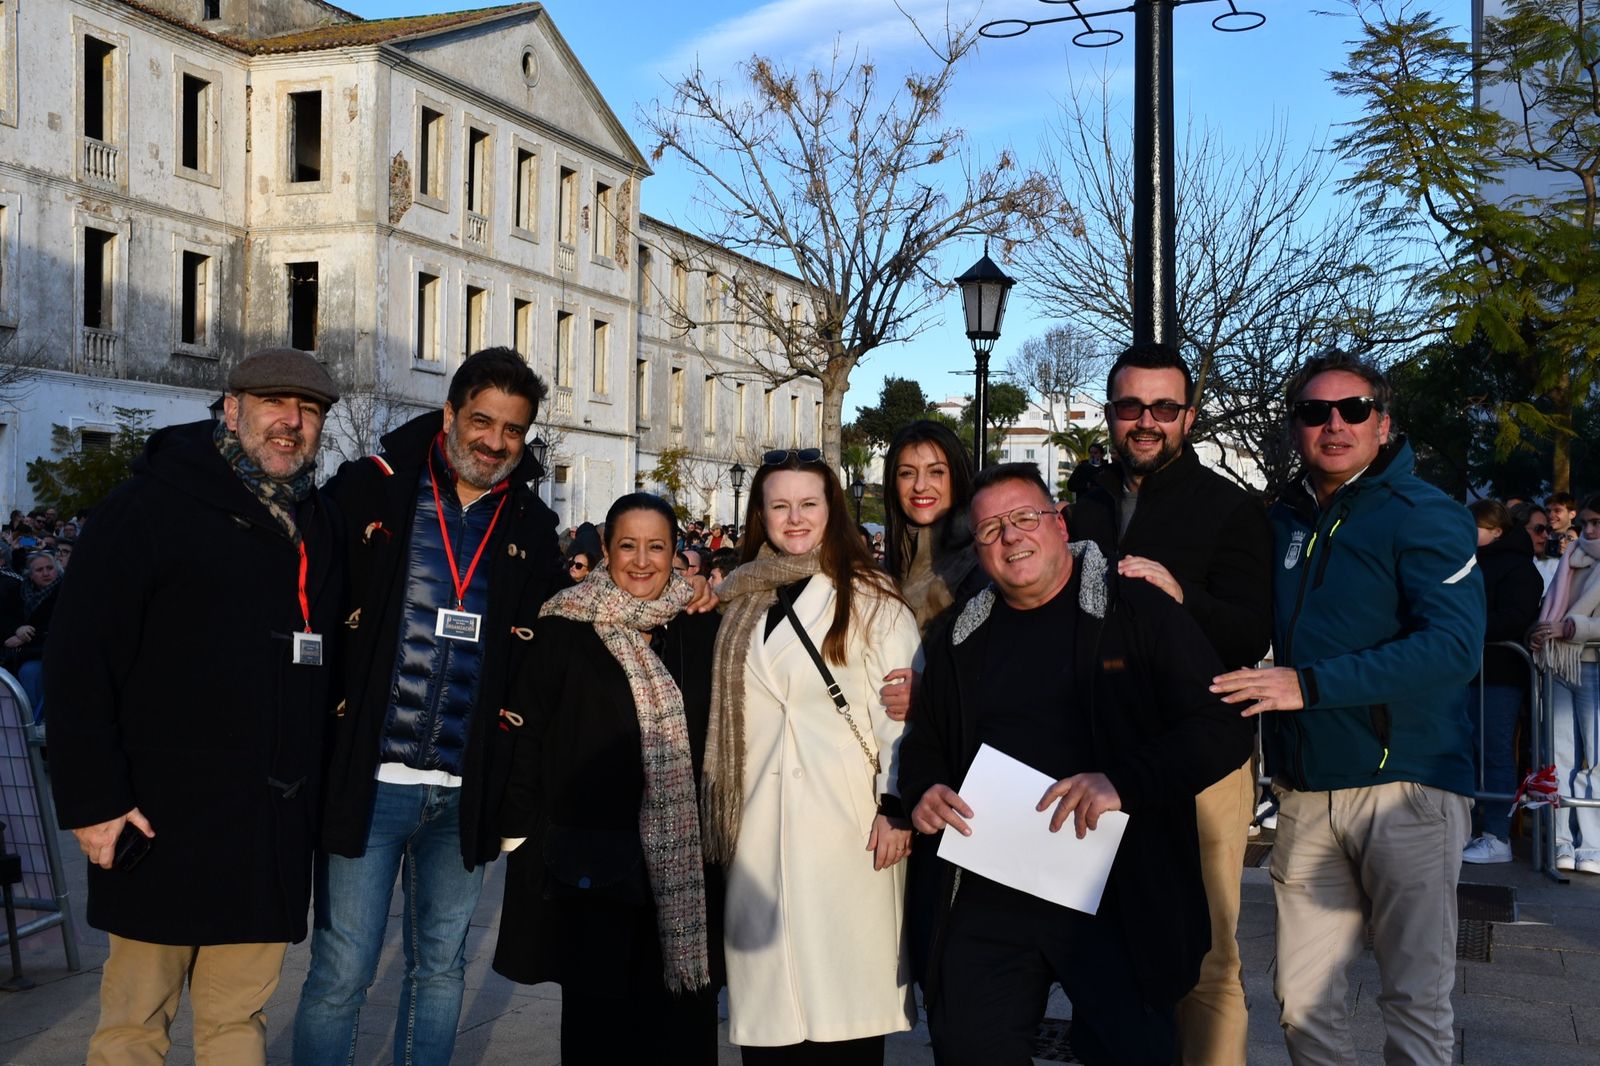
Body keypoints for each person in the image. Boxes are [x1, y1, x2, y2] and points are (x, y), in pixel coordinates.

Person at [898, 463, 1252, 1066]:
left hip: (1117, 889)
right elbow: (928, 741)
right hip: (993, 884)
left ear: (1059, 523)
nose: (1011, 537)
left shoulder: (1138, 611)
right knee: (968, 1045)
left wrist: (1122, 782)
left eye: (1025, 518)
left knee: (1130, 1051)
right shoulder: (961, 634)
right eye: (990, 530)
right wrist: (925, 790)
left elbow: (1221, 727)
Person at [47, 347, 342, 1064]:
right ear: (232, 409)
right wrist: (93, 805)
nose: (291, 423)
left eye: (308, 411)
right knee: (133, 1026)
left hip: (264, 830)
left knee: (239, 1023)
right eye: (275, 404)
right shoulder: (146, 506)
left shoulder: (316, 519)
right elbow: (79, 660)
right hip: (158, 824)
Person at [1212, 351, 1484, 1066]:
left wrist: (1310, 685)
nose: (1334, 424)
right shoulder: (1283, 520)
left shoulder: (1425, 514)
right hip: (1305, 792)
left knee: (1416, 1002)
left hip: (1408, 791)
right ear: (1295, 426)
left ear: (1383, 422)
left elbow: (1455, 647)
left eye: (1353, 409)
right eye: (1314, 412)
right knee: (1301, 1005)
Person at [293, 348, 562, 1065]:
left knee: (440, 971)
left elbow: (551, 649)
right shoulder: (370, 492)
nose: (494, 442)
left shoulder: (533, 526)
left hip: (464, 794)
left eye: (512, 430)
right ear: (449, 414)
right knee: (341, 975)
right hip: (370, 782)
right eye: (481, 421)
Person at [1069, 342, 1272, 1066]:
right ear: (1111, 412)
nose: (1146, 421)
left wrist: (1183, 598)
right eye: (1131, 406)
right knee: (1105, 940)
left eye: (1163, 407)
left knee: (1207, 954)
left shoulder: (1230, 508)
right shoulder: (1083, 502)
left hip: (1197, 756)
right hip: (1098, 753)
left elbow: (1253, 629)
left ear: (1187, 416)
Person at [703, 447, 919, 1063]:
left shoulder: (873, 598)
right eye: (780, 506)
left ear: (833, 510)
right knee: (771, 1029)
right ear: (760, 515)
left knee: (844, 1026)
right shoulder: (736, 600)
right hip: (759, 835)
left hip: (848, 830)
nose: (794, 519)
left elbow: (900, 720)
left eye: (808, 504)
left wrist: (896, 806)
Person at [493, 493, 722, 1062]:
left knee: (680, 1030)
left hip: (684, 864)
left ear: (677, 554)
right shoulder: (564, 624)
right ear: (605, 549)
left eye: (656, 547)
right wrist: (520, 837)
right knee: (599, 1032)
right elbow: (527, 734)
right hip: (592, 866)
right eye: (628, 546)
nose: (641, 561)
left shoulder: (697, 626)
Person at [1461, 499, 1543, 864]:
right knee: (1464, 751)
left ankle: (1497, 835)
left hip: (1498, 675)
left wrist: (1464, 629)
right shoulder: (1465, 561)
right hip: (1466, 672)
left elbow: (1515, 617)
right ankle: (1470, 828)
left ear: (1496, 531)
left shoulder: (1519, 570)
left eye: (1473, 526)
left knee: (1494, 752)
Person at [1526, 494, 1600, 875]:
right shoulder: (1571, 559)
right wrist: (1539, 632)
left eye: (1596, 523)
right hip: (1558, 662)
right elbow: (1547, 610)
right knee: (1558, 759)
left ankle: (1592, 845)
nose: (1588, 531)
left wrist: (1571, 628)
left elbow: (1571, 621)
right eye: (1585, 523)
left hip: (1592, 665)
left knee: (1596, 763)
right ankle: (1560, 843)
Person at [1, 550, 63, 721]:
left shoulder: (65, 592)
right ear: (30, 574)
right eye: (39, 570)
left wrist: (23, 637)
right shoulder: (19, 590)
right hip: (18, 650)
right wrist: (15, 630)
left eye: (50, 568)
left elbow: (59, 626)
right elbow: (6, 617)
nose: (46, 573)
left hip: (49, 651)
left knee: (30, 673)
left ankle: (33, 722)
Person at [1512, 501, 1559, 592]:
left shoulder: (1555, 565)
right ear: (1518, 529)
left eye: (1548, 529)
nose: (1545, 535)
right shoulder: (1499, 565)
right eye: (1539, 529)